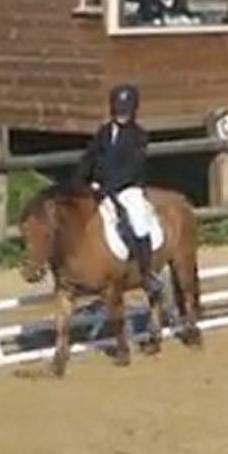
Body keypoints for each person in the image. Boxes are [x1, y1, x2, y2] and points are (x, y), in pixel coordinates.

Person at [73, 83, 161, 296]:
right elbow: (89, 158)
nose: (122, 115)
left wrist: (110, 186)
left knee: (139, 223)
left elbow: (133, 168)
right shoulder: (103, 133)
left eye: (126, 111)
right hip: (101, 189)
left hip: (128, 189)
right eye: (119, 110)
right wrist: (79, 182)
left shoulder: (139, 136)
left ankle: (147, 273)